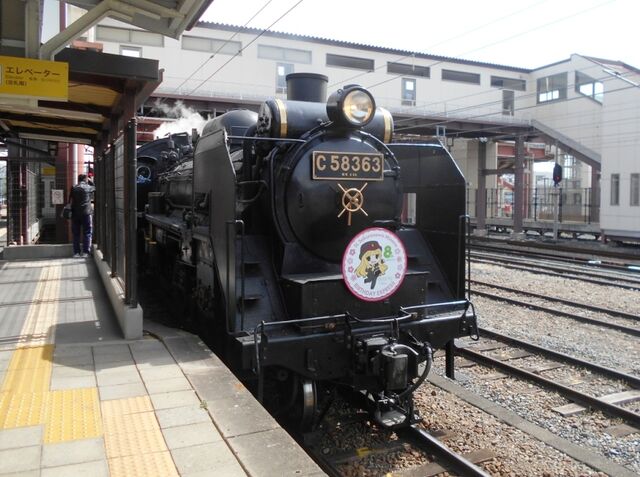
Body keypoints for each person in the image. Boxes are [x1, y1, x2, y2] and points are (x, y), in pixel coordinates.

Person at [69, 174, 95, 258]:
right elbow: (94, 188)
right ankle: (86, 252)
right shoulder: (88, 187)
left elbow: (70, 199)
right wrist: (91, 181)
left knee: (76, 233)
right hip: (86, 213)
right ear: (85, 179)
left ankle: (76, 253)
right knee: (87, 232)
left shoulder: (74, 187)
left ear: (78, 179)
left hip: (75, 213)